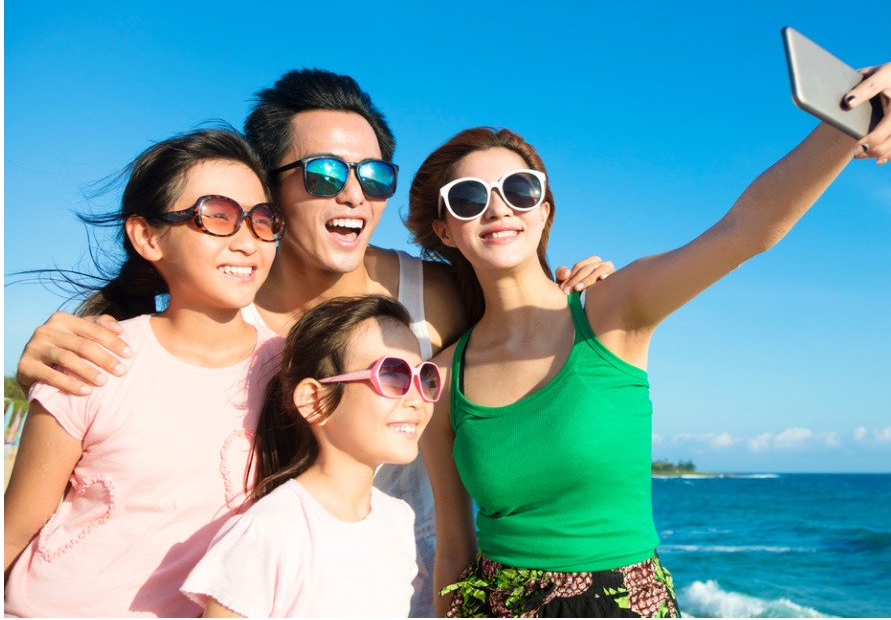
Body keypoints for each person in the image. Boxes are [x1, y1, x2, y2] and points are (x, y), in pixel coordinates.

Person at [12, 68, 612, 616]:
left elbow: (520, 332)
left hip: (399, 593)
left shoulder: (431, 297)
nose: (353, 194)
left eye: (375, 177)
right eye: (324, 173)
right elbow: (152, 376)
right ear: (266, 191)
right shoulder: (225, 300)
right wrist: (46, 359)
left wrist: (580, 292)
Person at [413, 62, 891, 617]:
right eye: (467, 197)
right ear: (445, 229)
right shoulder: (441, 378)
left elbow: (745, 230)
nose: (498, 206)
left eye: (519, 188)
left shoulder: (613, 310)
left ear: (543, 209)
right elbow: (456, 552)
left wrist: (845, 126)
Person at [3, 128, 283, 616]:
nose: (247, 241)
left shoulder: (291, 369)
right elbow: (15, 526)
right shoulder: (92, 358)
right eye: (217, 216)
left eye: (262, 220)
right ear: (147, 237)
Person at [183, 295, 438, 617]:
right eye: (392, 375)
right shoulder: (267, 531)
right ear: (314, 401)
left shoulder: (399, 518)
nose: (418, 398)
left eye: (425, 377)